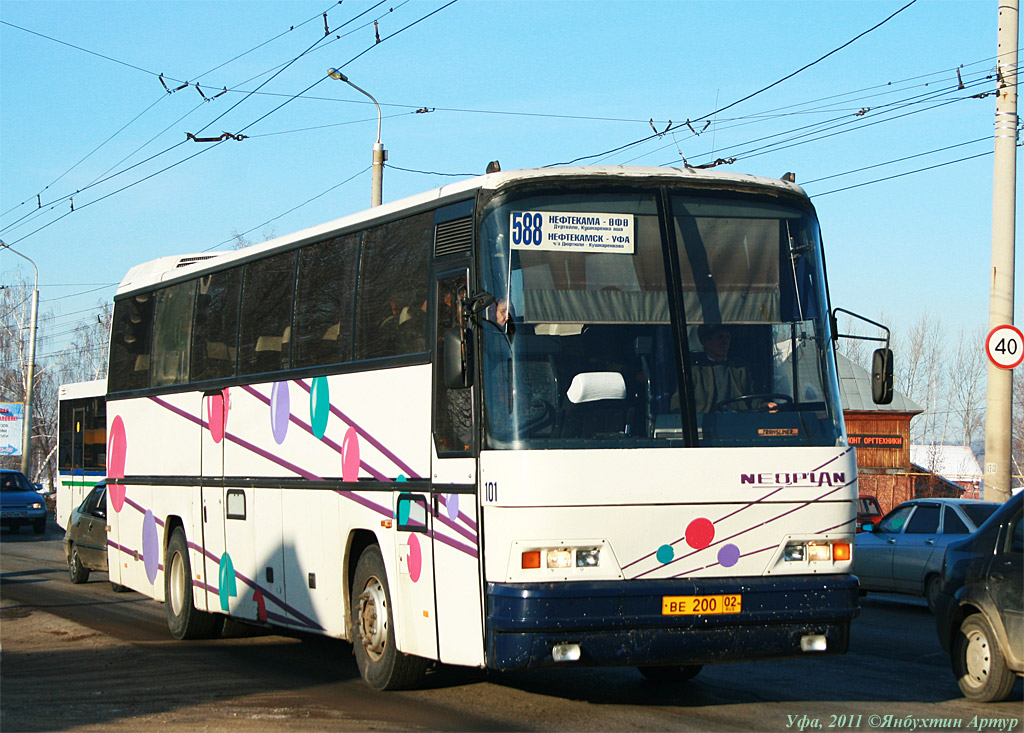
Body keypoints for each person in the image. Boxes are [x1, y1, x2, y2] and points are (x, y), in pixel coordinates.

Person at [690, 324, 766, 413]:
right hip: (706, 423)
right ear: (705, 342)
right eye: (720, 337)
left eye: (728, 337)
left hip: (739, 420)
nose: (725, 341)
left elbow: (752, 399)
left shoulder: (741, 369)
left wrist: (763, 405)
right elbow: (679, 407)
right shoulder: (695, 372)